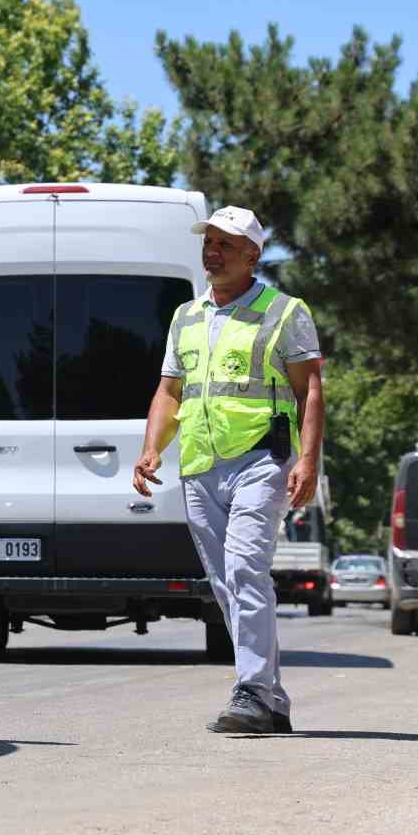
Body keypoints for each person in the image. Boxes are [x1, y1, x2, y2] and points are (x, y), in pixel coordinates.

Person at [132, 205, 325, 734]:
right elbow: (170, 391)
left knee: (244, 570)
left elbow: (309, 389)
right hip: (200, 463)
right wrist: (152, 448)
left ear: (252, 255)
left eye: (225, 245)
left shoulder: (284, 312)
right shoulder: (186, 317)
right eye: (208, 243)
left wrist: (308, 459)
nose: (212, 253)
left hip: (262, 459)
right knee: (224, 583)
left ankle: (253, 691)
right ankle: (271, 699)